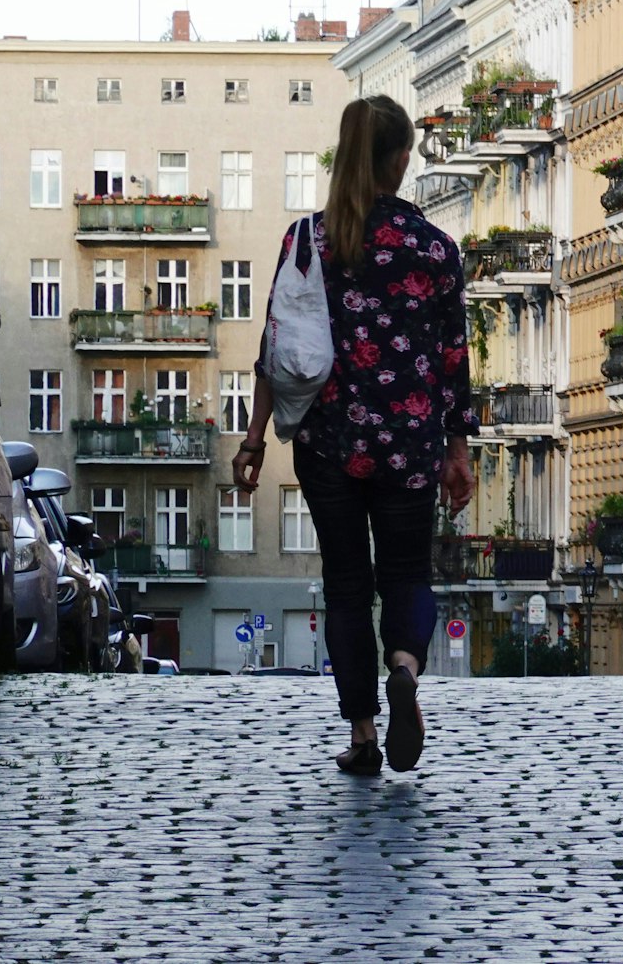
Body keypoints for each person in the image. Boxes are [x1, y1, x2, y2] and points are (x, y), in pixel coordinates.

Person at [233, 94, 477, 776]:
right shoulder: (434, 248)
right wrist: (457, 451)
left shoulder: (307, 240)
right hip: (409, 441)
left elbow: (276, 346)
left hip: (326, 442)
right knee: (406, 572)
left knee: (344, 583)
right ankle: (404, 664)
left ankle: (365, 733)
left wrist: (254, 437)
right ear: (401, 161)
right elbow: (455, 358)